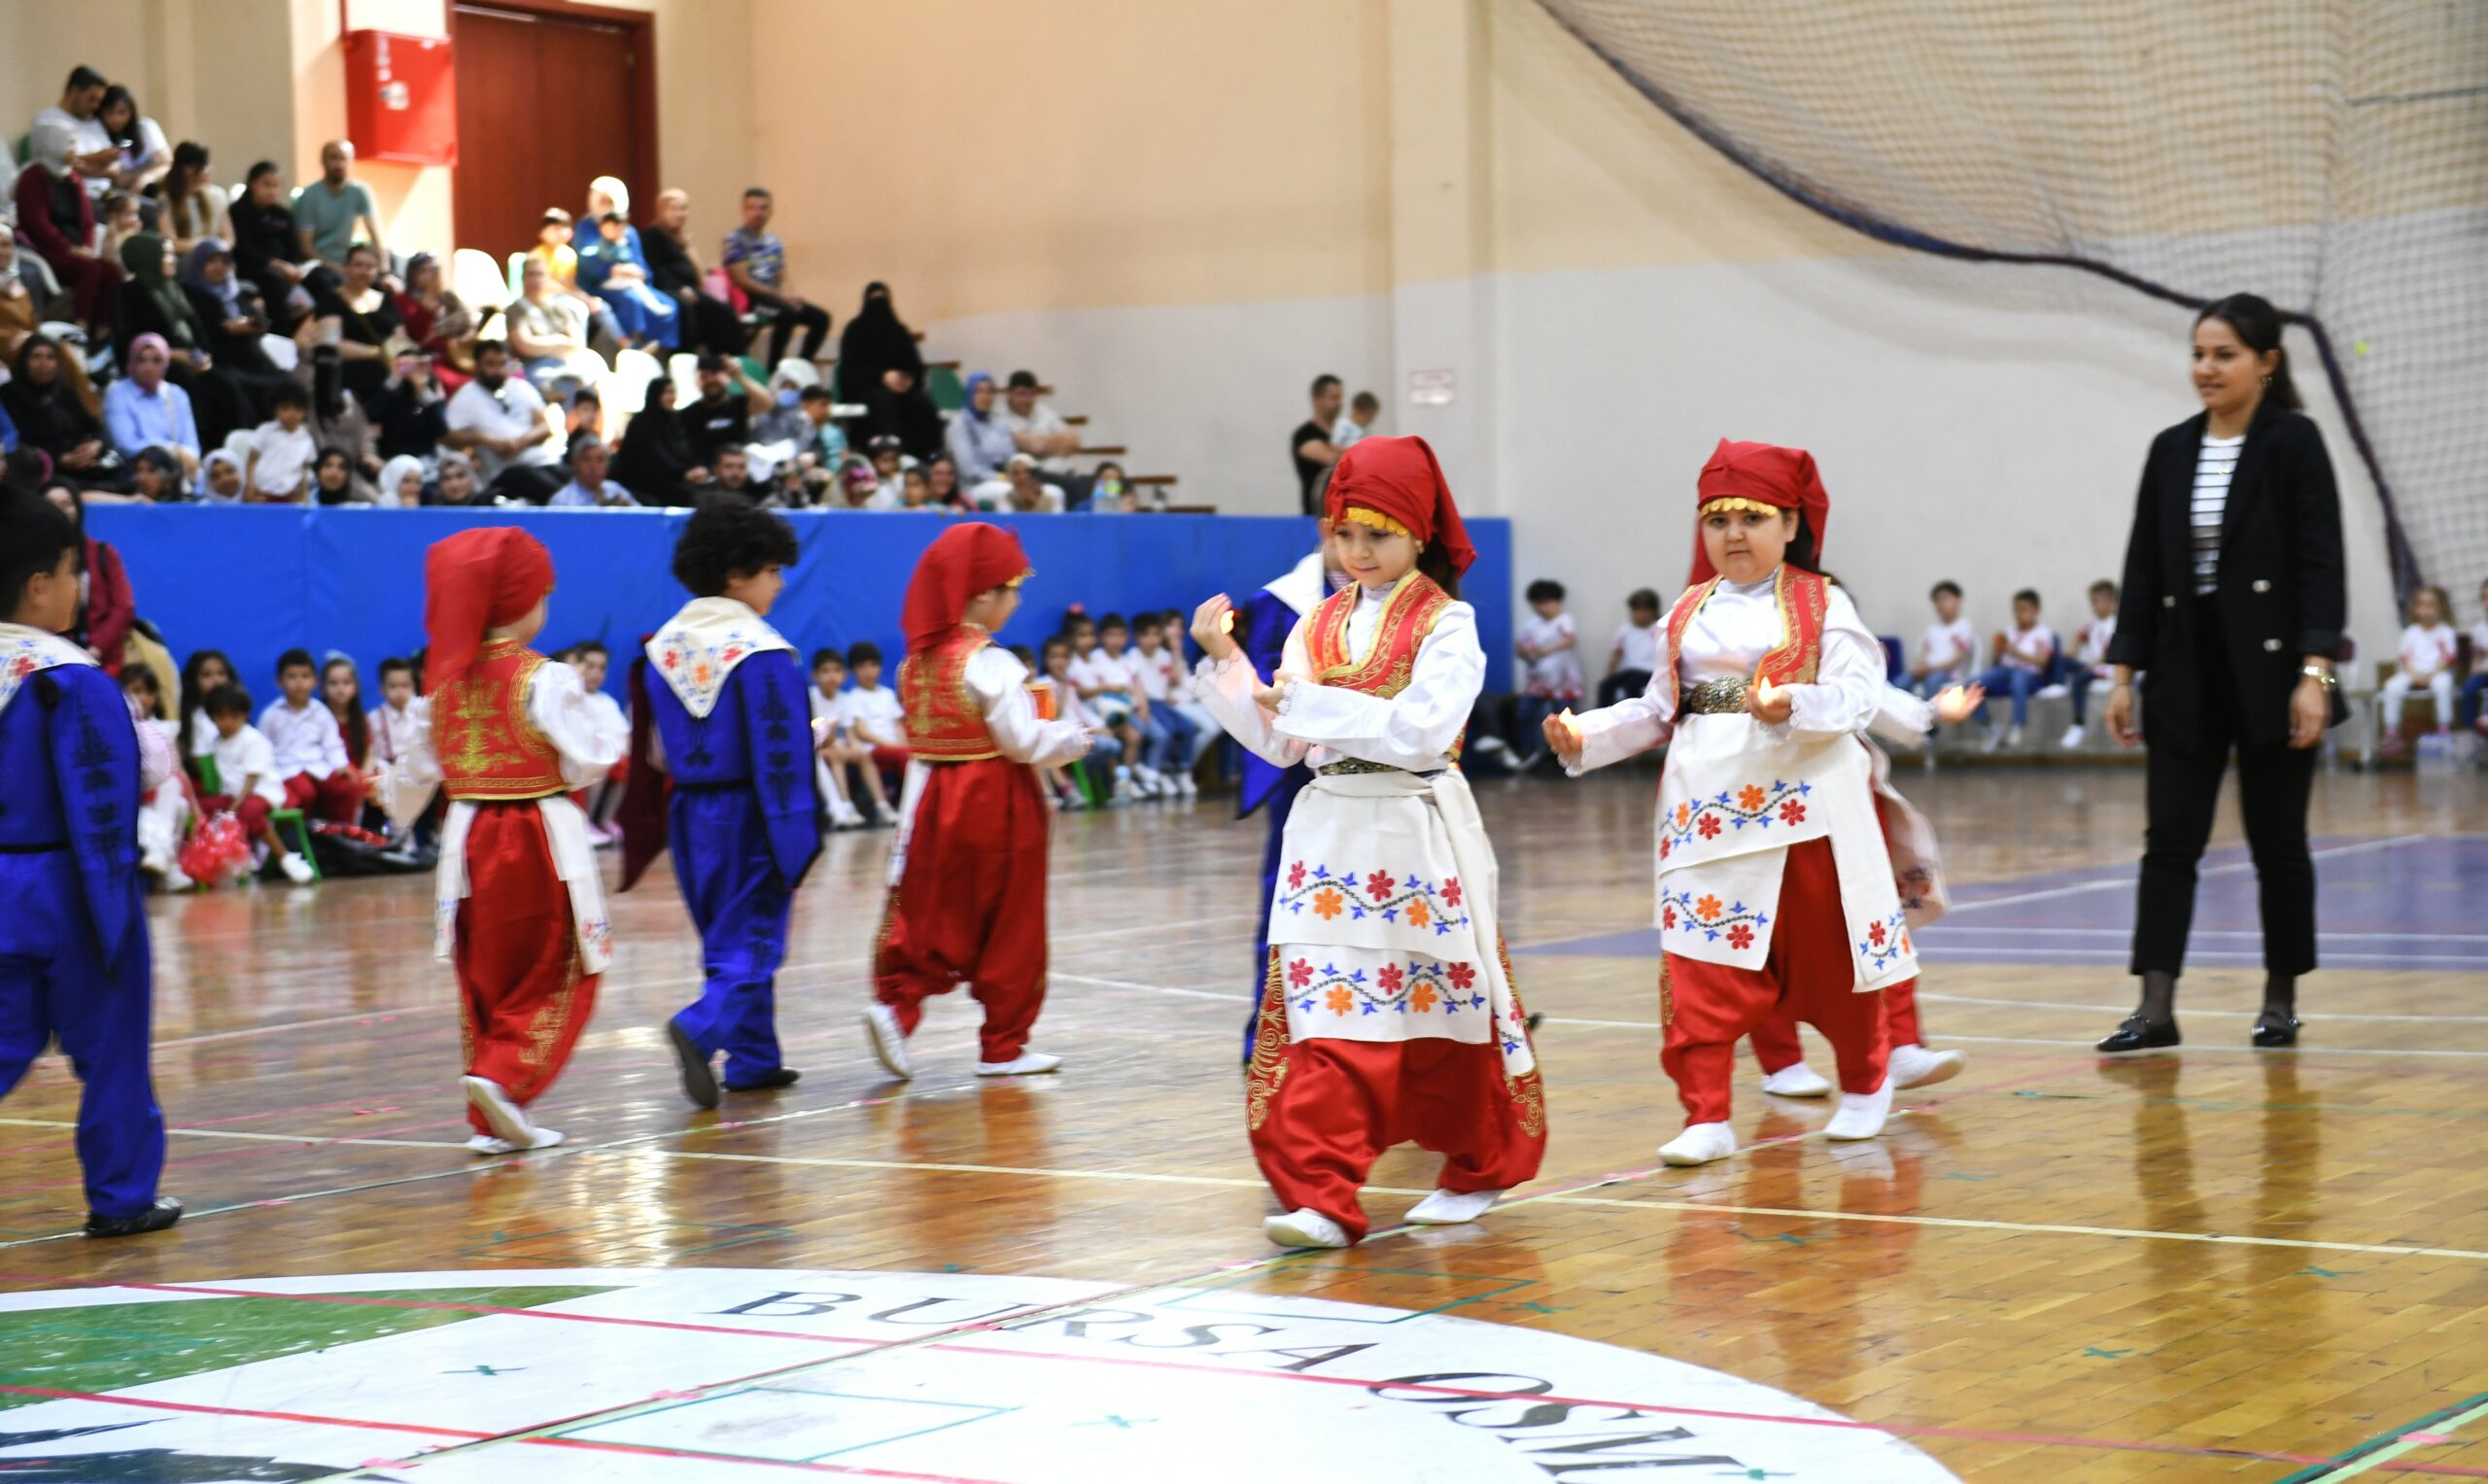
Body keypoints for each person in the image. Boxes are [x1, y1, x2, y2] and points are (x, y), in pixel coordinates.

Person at [1190, 436, 1545, 1247]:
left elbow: (1423, 732)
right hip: (1327, 836)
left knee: (1447, 1011)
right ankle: (1323, 1189)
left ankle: (1479, 1162)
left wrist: (1306, 708)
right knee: (1328, 1010)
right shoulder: (1316, 622)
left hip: (1416, 832)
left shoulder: (1450, 623)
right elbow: (1280, 742)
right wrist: (1229, 664)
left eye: (1377, 535)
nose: (1357, 552)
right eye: (1344, 534)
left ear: (1419, 533)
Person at [1546, 439, 1907, 1168]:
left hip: (1806, 804)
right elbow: (1659, 709)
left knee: (1832, 957)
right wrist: (1583, 733)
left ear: (1790, 524)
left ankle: (1866, 1085)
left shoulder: (1822, 602)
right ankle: (1706, 1113)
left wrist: (1792, 704)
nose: (1734, 533)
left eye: (1752, 516)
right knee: (1700, 961)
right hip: (1704, 807)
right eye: (1717, 519)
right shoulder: (1684, 611)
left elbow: (1860, 693)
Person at [2098, 293, 2344, 1054]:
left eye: (2225, 355)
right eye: (2200, 353)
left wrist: (2317, 676)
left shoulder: (2294, 442)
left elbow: (2320, 566)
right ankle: (2156, 1005)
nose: (2206, 368)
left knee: (2279, 842)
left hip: (2273, 672)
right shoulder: (2171, 448)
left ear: (2266, 362)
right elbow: (2142, 569)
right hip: (2183, 670)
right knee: (2169, 840)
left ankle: (2279, 999)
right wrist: (2123, 673)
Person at [378, 528, 625, 1153]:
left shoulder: (444, 685)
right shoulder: (547, 679)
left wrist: (390, 799)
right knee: (558, 967)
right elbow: (587, 761)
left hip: (467, 842)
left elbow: (413, 778)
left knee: (484, 970)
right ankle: (503, 1076)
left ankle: (491, 1114)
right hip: (539, 837)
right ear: (523, 601)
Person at [0, 490, 182, 1236]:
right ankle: (121, 1195)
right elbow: (100, 798)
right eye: (75, 571)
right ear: (41, 584)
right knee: (111, 1042)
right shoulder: (69, 677)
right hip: (69, 884)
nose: (82, 588)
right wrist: (114, 916)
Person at [865, 523, 1094, 1081]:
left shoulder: (914, 663)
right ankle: (1003, 1045)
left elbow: (921, 743)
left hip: (931, 800)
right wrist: (1074, 740)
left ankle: (898, 1008)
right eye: (1011, 590)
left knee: (933, 912)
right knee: (1010, 919)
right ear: (982, 594)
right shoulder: (992, 663)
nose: (1015, 602)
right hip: (997, 801)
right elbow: (1021, 741)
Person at [622, 503, 820, 1107]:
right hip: (754, 812)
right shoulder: (761, 652)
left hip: (690, 813)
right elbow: (779, 752)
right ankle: (699, 1027)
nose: (780, 583)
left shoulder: (661, 650)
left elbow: (653, 752)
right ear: (738, 574)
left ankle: (755, 1058)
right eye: (772, 570)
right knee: (757, 934)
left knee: (724, 934)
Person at [1745, 671, 1986, 1098]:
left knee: (1875, 912)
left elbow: (1860, 680)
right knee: (1764, 919)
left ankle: (1902, 1045)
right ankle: (1781, 1060)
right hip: (1756, 785)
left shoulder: (1827, 618)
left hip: (1842, 780)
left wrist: (1927, 712)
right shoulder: (1712, 617)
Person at [200, 682, 314, 881]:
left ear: (244, 715)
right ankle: (232, 859)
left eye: (233, 716)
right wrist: (229, 806)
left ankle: (285, 857)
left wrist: (232, 809)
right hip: (234, 796)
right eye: (220, 716)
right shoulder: (217, 742)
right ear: (212, 718)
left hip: (261, 792)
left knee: (249, 812)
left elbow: (250, 781)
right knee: (205, 807)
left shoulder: (253, 739)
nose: (227, 722)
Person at [13, 143, 122, 337]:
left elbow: (87, 222)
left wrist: (86, 247)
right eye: (68, 143)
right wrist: (69, 248)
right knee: (92, 269)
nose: (73, 148)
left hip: (78, 249)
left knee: (112, 272)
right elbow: (37, 224)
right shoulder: (32, 178)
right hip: (46, 249)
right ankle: (81, 328)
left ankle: (103, 330)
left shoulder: (74, 178)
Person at [722, 186, 830, 369]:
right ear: (743, 210)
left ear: (770, 211)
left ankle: (801, 366)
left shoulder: (774, 241)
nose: (758, 213)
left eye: (763, 208)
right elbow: (741, 280)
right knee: (786, 314)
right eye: (752, 208)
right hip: (751, 298)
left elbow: (783, 276)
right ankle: (775, 369)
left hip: (776, 297)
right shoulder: (734, 239)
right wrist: (779, 297)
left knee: (821, 318)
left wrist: (790, 295)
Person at [444, 340, 565, 503]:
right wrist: (482, 438)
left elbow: (545, 427)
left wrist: (522, 441)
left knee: (572, 479)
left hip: (545, 462)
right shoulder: (465, 398)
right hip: (507, 472)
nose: (497, 370)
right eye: (490, 364)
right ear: (477, 365)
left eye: (502, 364)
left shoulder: (521, 387)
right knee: (557, 493)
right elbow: (446, 437)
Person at [836, 282, 942, 457]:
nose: (879, 306)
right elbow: (850, 372)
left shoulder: (899, 331)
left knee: (923, 402)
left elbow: (916, 367)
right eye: (874, 300)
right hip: (867, 389)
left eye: (883, 300)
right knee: (882, 400)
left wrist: (907, 380)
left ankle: (929, 457)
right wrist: (882, 377)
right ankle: (888, 457)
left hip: (900, 390)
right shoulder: (854, 330)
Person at [260, 647, 363, 824]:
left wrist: (341, 765)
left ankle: (341, 834)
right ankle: (303, 839)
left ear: (315, 681)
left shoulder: (320, 712)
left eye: (305, 676)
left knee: (348, 788)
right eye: (292, 677)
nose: (299, 683)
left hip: (317, 766)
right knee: (305, 793)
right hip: (287, 769)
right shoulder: (271, 715)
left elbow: (332, 744)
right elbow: (262, 750)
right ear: (279, 682)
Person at [40, 481, 135, 672]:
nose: (61, 511)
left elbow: (124, 607)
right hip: (49, 661)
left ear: (77, 508)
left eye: (67, 504)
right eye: (52, 504)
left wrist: (95, 649)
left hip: (101, 662)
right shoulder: (31, 559)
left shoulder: (103, 553)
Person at [640, 187, 745, 358]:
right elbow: (656, 268)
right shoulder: (652, 236)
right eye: (673, 209)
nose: (679, 214)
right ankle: (684, 358)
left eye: (683, 209)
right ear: (661, 211)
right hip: (667, 289)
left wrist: (688, 249)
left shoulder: (681, 238)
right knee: (686, 309)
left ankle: (732, 361)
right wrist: (680, 288)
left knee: (724, 313)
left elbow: (697, 272)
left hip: (690, 289)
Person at [4, 337, 115, 483]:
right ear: (24, 361)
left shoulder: (64, 392)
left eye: (50, 357)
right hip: (39, 472)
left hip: (82, 465)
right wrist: (58, 459)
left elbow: (94, 427)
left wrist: (96, 445)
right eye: (36, 357)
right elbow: (16, 443)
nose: (43, 363)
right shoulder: (9, 395)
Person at [313, 244, 406, 413]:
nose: (364, 271)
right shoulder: (333, 300)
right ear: (346, 268)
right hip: (352, 370)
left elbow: (401, 340)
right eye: (358, 265)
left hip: (392, 367)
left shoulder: (386, 300)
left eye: (370, 266)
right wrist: (378, 353)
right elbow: (331, 344)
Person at [227, 161, 314, 328]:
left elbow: (293, 248)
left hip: (287, 268)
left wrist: (294, 267)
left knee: (320, 279)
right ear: (253, 184)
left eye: (276, 186)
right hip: (253, 267)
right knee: (275, 280)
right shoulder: (238, 212)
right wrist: (277, 265)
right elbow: (243, 249)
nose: (272, 190)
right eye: (266, 185)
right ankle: (281, 332)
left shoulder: (283, 214)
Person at [577, 211, 679, 351]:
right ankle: (634, 344)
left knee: (670, 304)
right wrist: (616, 269)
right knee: (632, 300)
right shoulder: (587, 230)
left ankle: (662, 348)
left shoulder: (629, 234)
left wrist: (640, 273)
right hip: (602, 284)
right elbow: (591, 266)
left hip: (632, 280)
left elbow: (640, 265)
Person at [101, 333, 200, 476]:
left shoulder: (177, 394)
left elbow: (191, 444)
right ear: (132, 361)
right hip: (134, 470)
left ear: (166, 362)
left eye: (157, 360)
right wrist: (172, 450)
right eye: (141, 360)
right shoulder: (117, 393)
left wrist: (189, 457)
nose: (149, 367)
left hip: (180, 468)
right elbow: (126, 445)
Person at [1972, 588, 2056, 751]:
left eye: (2023, 609)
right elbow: (1996, 664)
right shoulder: (2008, 632)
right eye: (2016, 610)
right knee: (1972, 684)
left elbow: (2043, 662)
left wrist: (2016, 652)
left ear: (2036, 611)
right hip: (2005, 673)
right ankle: (1989, 726)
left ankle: (2017, 726)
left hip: (2031, 676)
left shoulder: (2043, 634)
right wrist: (1997, 651)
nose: (2018, 614)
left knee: (2019, 678)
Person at [1514, 578, 1586, 768]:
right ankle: (1531, 752)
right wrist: (1526, 652)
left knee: (1564, 719)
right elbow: (1519, 648)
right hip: (1538, 681)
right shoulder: (1531, 625)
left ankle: (1567, 755)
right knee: (1525, 713)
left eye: (1547, 603)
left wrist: (1547, 650)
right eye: (1538, 604)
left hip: (1564, 682)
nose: (1542, 608)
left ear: (1559, 602)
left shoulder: (1564, 621)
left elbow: (1570, 639)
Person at [2378, 585, 2459, 754]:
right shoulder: (2410, 633)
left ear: (2440, 608)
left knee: (2443, 686)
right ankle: (2391, 732)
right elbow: (2405, 658)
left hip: (2437, 673)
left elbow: (2448, 658)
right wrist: (2414, 675)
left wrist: (2430, 675)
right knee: (2392, 687)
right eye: (2422, 605)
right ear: (2415, 609)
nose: (2427, 610)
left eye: (2431, 605)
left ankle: (2443, 728)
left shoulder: (2446, 632)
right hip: (2412, 673)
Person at [291, 140, 386, 280]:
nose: (339, 164)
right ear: (322, 161)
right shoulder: (309, 196)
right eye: (333, 158)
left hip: (349, 262)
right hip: (318, 265)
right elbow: (306, 248)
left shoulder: (360, 191)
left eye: (343, 158)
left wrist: (384, 268)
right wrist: (335, 267)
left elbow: (376, 233)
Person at [506, 258, 599, 394]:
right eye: (531, 274)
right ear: (523, 278)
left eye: (540, 274)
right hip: (534, 368)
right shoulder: (514, 310)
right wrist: (560, 340)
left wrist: (547, 345)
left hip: (568, 362)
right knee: (565, 386)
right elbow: (525, 346)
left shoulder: (558, 307)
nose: (536, 280)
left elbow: (578, 342)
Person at [996, 370, 1087, 504]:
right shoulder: (1000, 416)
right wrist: (1056, 443)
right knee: (1076, 488)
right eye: (1021, 394)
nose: (1027, 400)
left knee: (1090, 483)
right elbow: (1034, 446)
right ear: (1010, 394)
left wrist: (1042, 444)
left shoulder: (1043, 411)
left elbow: (1073, 441)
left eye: (1031, 394)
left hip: (1064, 472)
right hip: (1033, 474)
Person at [613, 375, 706, 505]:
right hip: (647, 484)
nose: (672, 397)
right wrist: (683, 474)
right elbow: (655, 457)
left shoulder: (675, 421)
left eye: (673, 392)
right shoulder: (641, 423)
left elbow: (687, 448)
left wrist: (696, 468)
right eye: (667, 392)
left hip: (677, 480)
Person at [29, 67, 119, 201]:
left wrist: (85, 163)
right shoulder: (47, 120)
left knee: (150, 208)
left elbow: (114, 168)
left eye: (99, 101)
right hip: (72, 195)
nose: (95, 106)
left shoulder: (94, 122)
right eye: (92, 99)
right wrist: (96, 159)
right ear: (75, 91)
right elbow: (55, 163)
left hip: (107, 192)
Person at [395, 253, 476, 385]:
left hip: (454, 357)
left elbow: (467, 326)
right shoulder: (403, 301)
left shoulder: (448, 299)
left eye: (433, 270)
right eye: (423, 271)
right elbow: (409, 340)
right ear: (412, 275)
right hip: (424, 361)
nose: (430, 276)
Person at [678, 353, 768, 467]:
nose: (710, 380)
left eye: (715, 374)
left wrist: (739, 376)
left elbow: (766, 404)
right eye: (704, 376)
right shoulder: (687, 415)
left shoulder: (739, 404)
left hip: (739, 469)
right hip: (705, 473)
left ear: (726, 376)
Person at [2061, 578, 2120, 748]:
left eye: (2096, 601)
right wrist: (2072, 647)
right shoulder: (2093, 625)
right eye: (2092, 601)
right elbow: (2080, 635)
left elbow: (2112, 651)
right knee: (2061, 661)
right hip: (2091, 667)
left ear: (2111, 602)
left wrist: (2093, 663)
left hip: (2108, 669)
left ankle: (2078, 723)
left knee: (2079, 680)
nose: (2094, 606)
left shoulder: (2117, 624)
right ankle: (2058, 682)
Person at [245, 383, 318, 502]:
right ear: (275, 410)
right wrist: (249, 485)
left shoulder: (306, 440)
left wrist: (304, 495)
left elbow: (306, 470)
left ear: (305, 411)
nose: (292, 414)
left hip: (289, 496)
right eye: (285, 408)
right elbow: (252, 459)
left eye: (297, 409)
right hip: (262, 493)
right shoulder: (266, 430)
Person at [947, 372, 1018, 492]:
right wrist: (1001, 478)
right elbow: (969, 471)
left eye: (990, 391)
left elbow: (1012, 457)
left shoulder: (999, 423)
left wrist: (1018, 475)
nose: (986, 396)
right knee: (1008, 491)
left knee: (1051, 492)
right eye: (979, 391)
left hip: (1005, 480)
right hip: (972, 486)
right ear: (969, 393)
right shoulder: (958, 425)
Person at [154, 141, 228, 254]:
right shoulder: (165, 199)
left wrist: (217, 248)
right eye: (204, 166)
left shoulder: (218, 195)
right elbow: (170, 243)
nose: (210, 169)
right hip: (186, 259)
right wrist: (206, 245)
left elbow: (229, 237)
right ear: (187, 169)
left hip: (215, 256)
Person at [95, 86, 170, 195]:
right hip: (121, 197)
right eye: (110, 112)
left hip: (151, 189)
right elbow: (118, 179)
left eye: (122, 112)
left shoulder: (145, 127)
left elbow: (167, 162)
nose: (116, 118)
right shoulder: (100, 134)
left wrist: (146, 178)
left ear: (131, 112)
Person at [1290, 374, 1346, 517]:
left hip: (1345, 518)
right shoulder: (1304, 435)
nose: (1339, 403)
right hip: (1317, 518)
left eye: (1340, 398)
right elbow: (1332, 460)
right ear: (1318, 400)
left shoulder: (1343, 433)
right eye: (1334, 398)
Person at [1909, 580, 1975, 699]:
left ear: (1959, 600)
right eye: (1937, 600)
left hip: (1949, 674)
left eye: (1945, 599)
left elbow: (1956, 659)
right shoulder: (1932, 628)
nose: (1940, 604)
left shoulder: (1963, 627)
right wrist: (1920, 666)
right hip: (1927, 671)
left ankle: (1933, 716)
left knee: (1932, 682)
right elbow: (1923, 650)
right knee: (1902, 682)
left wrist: (1929, 669)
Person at [1601, 588, 1663, 709]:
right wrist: (1610, 675)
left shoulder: (1659, 629)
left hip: (1650, 672)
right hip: (1629, 672)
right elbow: (1616, 655)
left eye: (1645, 610)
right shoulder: (1624, 631)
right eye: (1636, 610)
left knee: (1632, 682)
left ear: (1654, 611)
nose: (1640, 614)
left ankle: (1635, 714)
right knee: (1606, 686)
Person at [550, 434, 639, 507]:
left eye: (600, 460)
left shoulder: (616, 490)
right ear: (575, 464)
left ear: (608, 465)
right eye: (587, 459)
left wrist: (627, 510)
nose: (593, 466)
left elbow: (644, 519)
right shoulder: (562, 501)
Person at [2461, 579, 2488, 734]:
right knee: (2469, 687)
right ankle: (2468, 730)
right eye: (2485, 598)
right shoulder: (2478, 630)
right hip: (2484, 674)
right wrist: (2474, 668)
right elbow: (2477, 657)